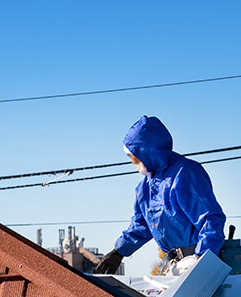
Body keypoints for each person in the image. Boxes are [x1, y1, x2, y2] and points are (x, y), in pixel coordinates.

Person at [93, 116, 226, 276]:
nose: (131, 161)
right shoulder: (144, 189)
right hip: (174, 265)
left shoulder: (185, 173)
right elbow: (141, 226)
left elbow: (210, 218)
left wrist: (203, 259)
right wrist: (118, 252)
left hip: (196, 262)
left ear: (145, 152)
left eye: (132, 155)